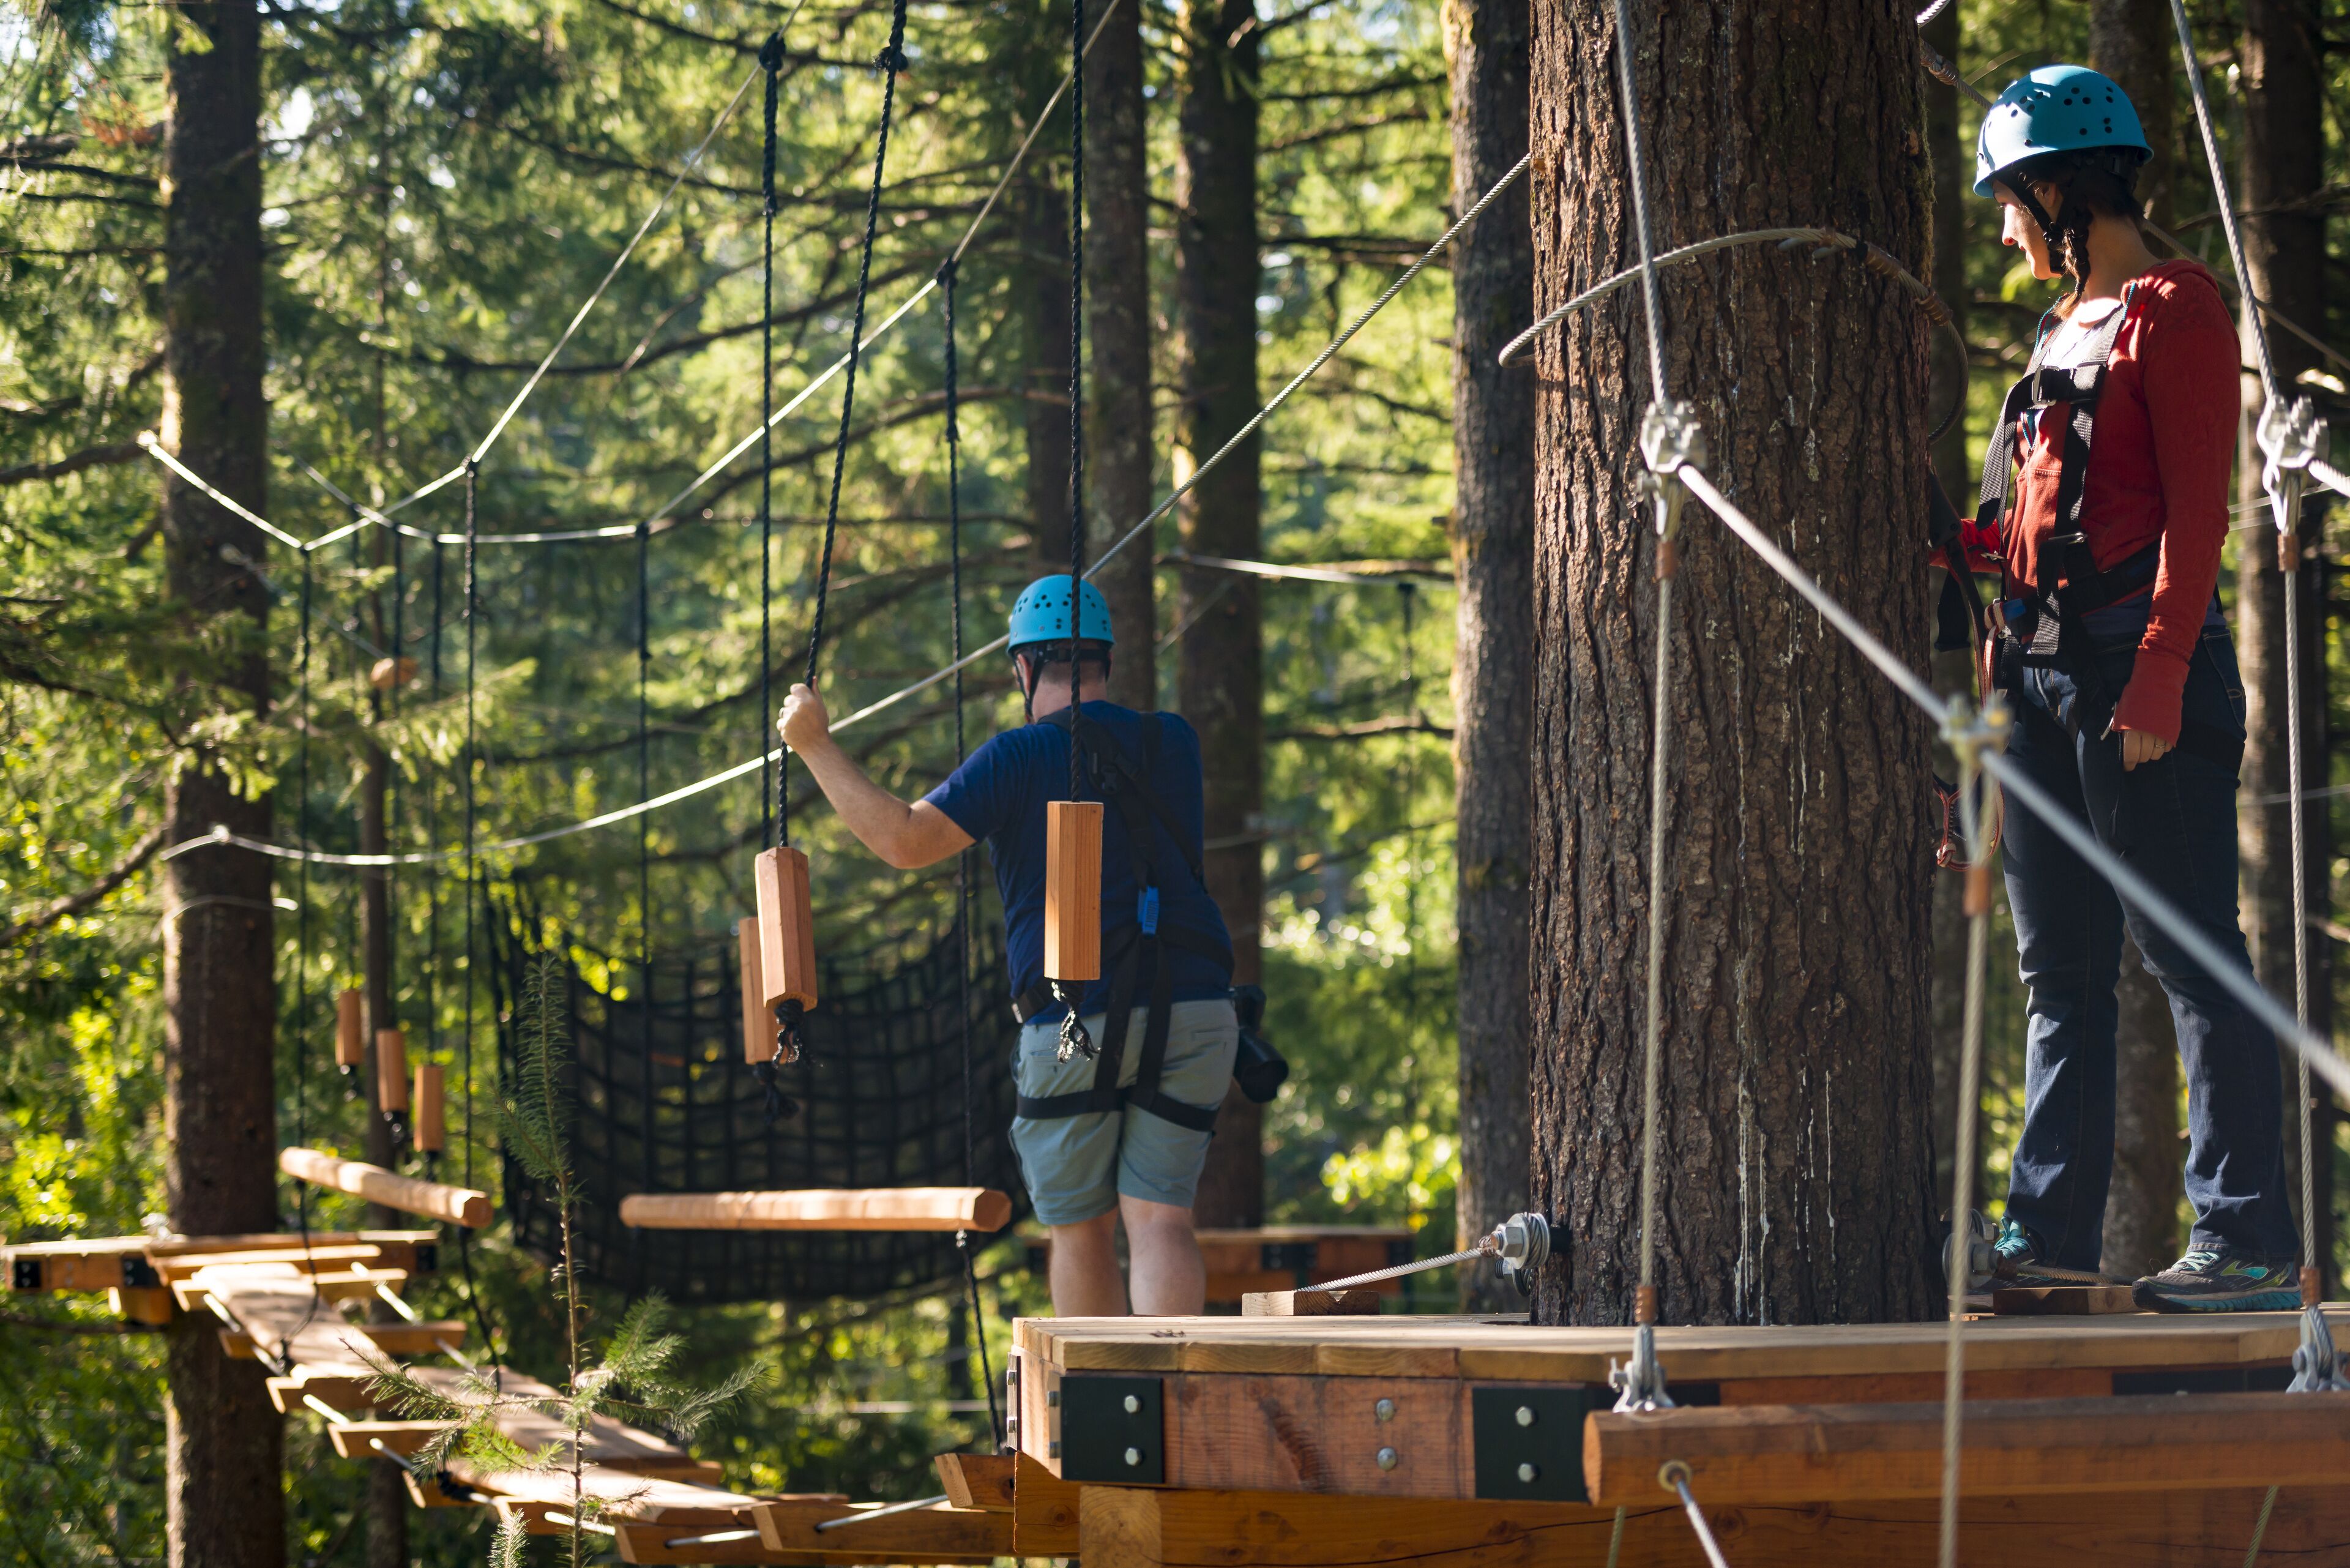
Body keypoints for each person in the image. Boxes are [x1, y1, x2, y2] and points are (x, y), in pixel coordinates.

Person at [1947, 65, 2299, 1310]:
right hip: (2039, 696)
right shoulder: (2056, 334)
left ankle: (2251, 1241)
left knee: (2193, 956)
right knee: (2063, 979)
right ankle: (2045, 1239)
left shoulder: (2175, 308)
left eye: (2009, 199)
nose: (2002, 227)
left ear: (2060, 185)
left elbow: (2199, 520)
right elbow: (2028, 542)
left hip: (2148, 692)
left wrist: (2154, 684)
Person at [776, 575, 1237, 1316]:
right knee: (1160, 1221)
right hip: (1197, 1012)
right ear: (1106, 663)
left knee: (1081, 1232)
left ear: (1022, 668)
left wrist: (816, 745)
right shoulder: (1173, 742)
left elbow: (904, 839)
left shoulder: (1016, 756)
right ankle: (1170, 1404)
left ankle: (1101, 1409)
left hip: (1074, 1021)